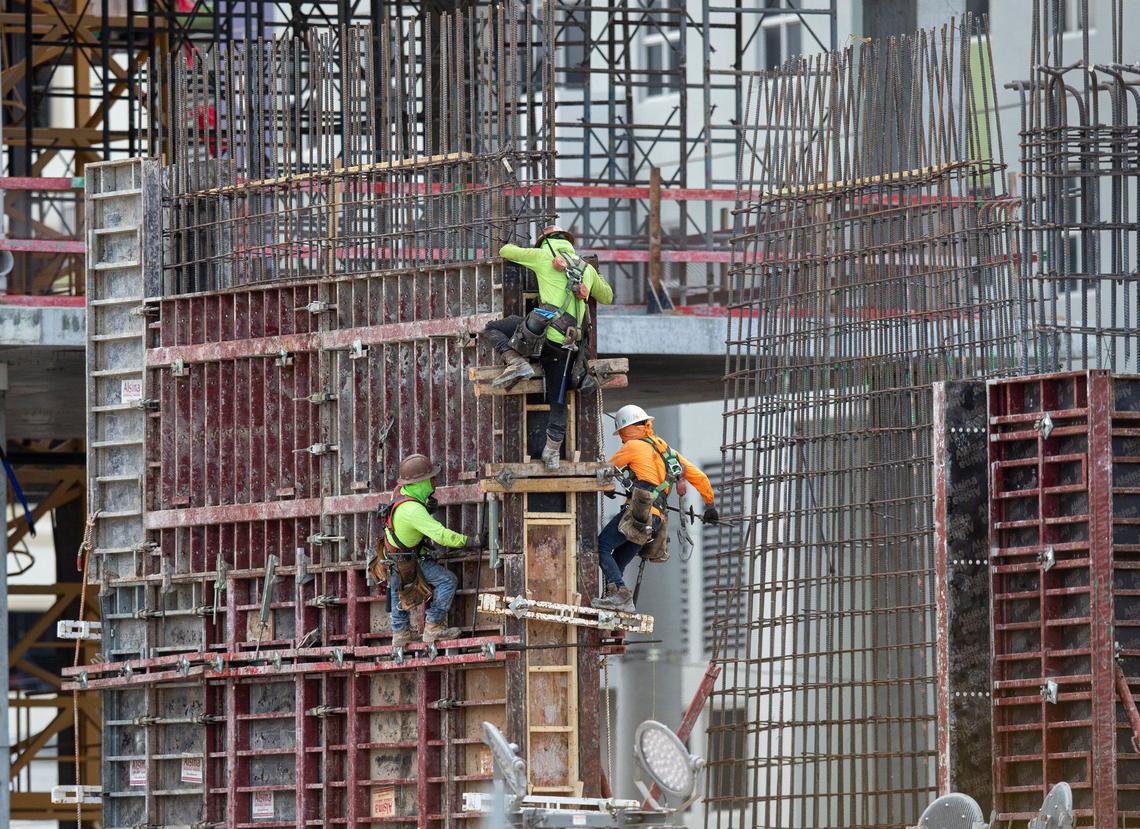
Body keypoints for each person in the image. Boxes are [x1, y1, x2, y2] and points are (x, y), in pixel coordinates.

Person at [482, 225, 614, 470]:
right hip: (568, 347)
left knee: (493, 327)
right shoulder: (585, 268)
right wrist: (594, 278)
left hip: (541, 337)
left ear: (544, 241)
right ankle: (552, 453)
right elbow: (607, 296)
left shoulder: (543, 255)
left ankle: (516, 361)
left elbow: (506, 251)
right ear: (568, 241)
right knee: (558, 399)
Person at [592, 405, 718, 613]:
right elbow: (700, 477)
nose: (622, 439)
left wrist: (607, 487)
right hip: (656, 520)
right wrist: (710, 504)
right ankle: (616, 598)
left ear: (627, 429)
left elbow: (604, 470)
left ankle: (621, 596)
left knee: (601, 547)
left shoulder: (633, 446)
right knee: (616, 561)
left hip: (639, 512)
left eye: (622, 434)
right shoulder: (667, 451)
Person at [379, 453, 481, 645]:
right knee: (447, 581)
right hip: (409, 561)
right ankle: (434, 626)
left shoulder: (399, 493)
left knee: (396, 587)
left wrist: (426, 507)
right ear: (421, 481)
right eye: (431, 478)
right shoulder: (413, 510)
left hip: (393, 559)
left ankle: (400, 633)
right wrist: (470, 541)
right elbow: (441, 535)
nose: (435, 483)